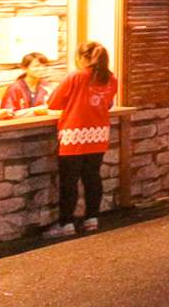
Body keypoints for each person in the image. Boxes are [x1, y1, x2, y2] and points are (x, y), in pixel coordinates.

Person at [45, 41, 119, 238]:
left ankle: (66, 223)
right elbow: (109, 104)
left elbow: (53, 102)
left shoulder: (76, 76)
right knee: (92, 177)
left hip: (74, 134)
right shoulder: (111, 79)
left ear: (82, 58)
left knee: (69, 181)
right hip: (98, 133)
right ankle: (92, 219)